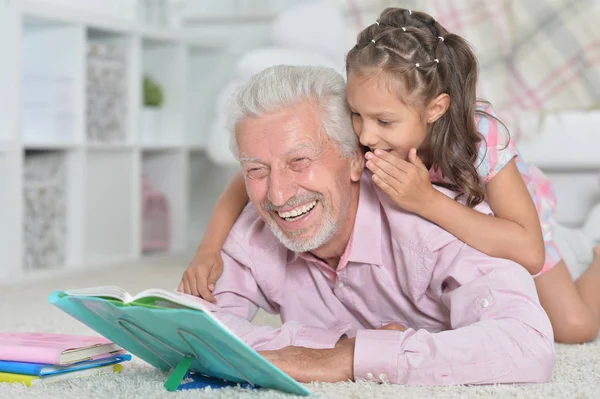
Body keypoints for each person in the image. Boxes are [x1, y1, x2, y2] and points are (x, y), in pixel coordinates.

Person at [180, 7, 600, 344]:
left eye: (383, 120)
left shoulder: (481, 142)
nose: (365, 134)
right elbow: (251, 176)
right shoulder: (371, 129)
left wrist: (427, 201)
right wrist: (208, 250)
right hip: (449, 232)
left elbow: (527, 251)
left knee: (574, 329)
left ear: (434, 109)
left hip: (508, 220)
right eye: (357, 115)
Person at [180, 63, 554, 385]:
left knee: (573, 323)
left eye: (300, 162)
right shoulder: (254, 230)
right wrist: (333, 345)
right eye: (257, 170)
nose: (277, 196)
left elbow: (527, 344)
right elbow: (191, 333)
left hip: (529, 220)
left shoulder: (435, 222)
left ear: (357, 159)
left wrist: (351, 358)